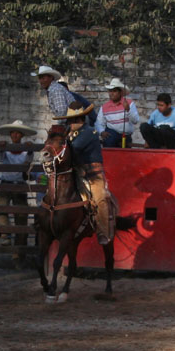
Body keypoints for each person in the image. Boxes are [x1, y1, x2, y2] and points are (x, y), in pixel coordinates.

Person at [54, 102, 113, 246]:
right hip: (76, 172)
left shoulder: (89, 132)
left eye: (71, 121)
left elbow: (73, 148)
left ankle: (103, 232)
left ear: (79, 120)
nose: (69, 124)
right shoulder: (71, 134)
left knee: (100, 199)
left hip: (93, 174)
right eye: (68, 121)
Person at [0, 120, 36, 266]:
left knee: (21, 219)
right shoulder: (5, 148)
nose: (15, 135)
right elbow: (0, 157)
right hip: (6, 183)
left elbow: (29, 160)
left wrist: (30, 149)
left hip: (19, 185)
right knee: (1, 209)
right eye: (13, 133)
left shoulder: (26, 150)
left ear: (22, 135)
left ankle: (18, 255)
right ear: (10, 135)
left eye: (18, 133)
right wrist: (0, 147)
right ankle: (5, 234)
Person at [96, 78, 139, 148]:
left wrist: (128, 110)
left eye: (114, 91)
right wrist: (101, 132)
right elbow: (99, 123)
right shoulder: (104, 107)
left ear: (120, 93)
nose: (111, 94)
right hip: (111, 135)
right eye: (110, 91)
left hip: (126, 136)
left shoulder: (129, 103)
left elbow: (135, 120)